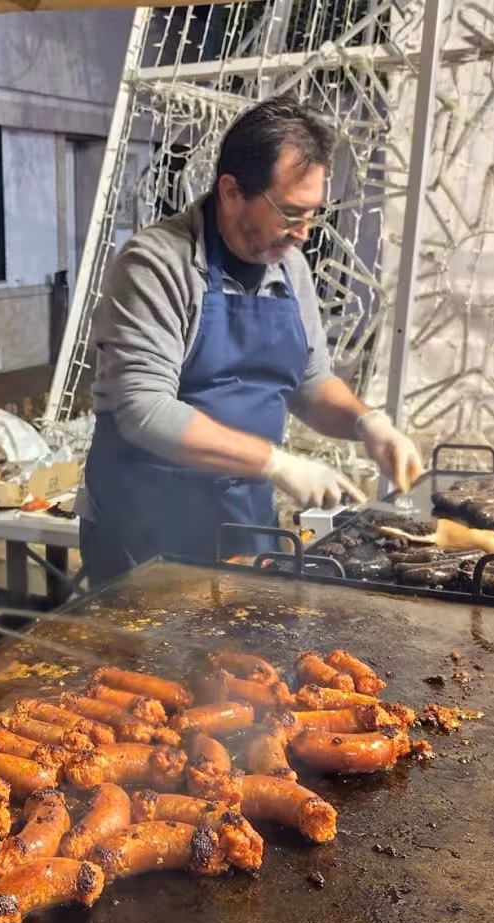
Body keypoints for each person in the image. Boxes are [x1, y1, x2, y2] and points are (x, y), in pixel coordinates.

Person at [79, 96, 423, 585]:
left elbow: (309, 382)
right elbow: (144, 409)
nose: (303, 233)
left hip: (244, 524)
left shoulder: (289, 267)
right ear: (232, 191)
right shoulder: (155, 264)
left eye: (312, 215)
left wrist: (367, 424)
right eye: (289, 213)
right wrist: (275, 462)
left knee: (249, 659)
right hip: (145, 533)